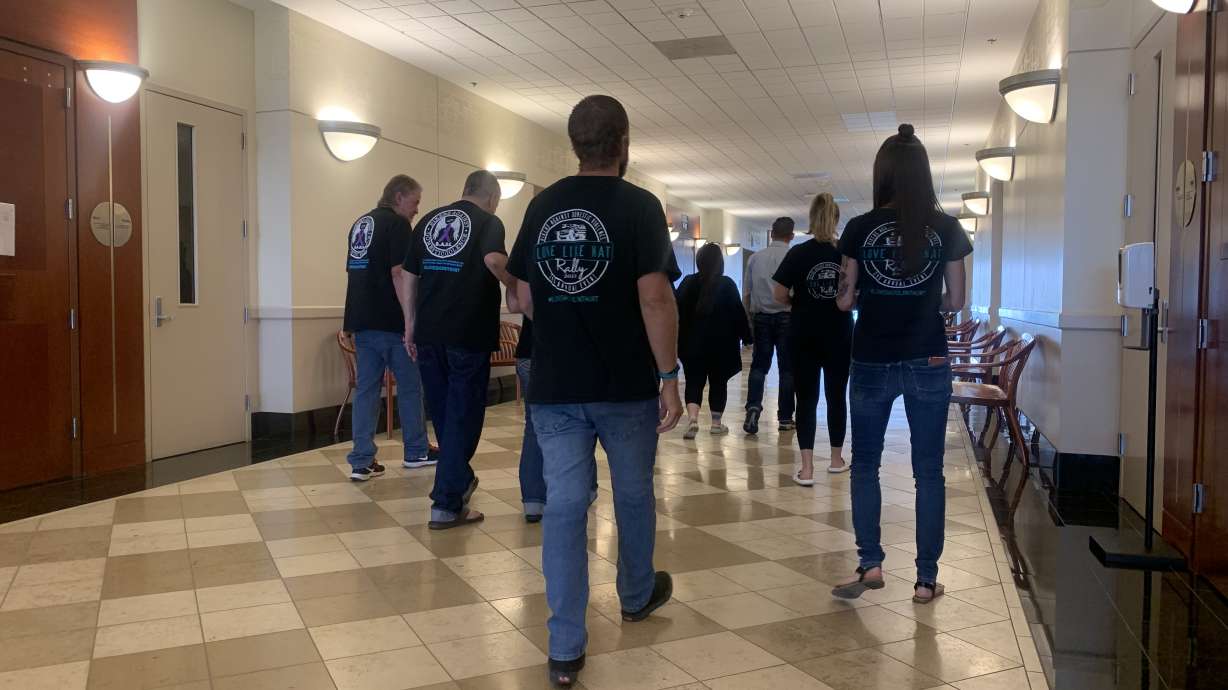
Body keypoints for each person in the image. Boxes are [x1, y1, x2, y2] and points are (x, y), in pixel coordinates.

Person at [508, 94, 682, 688]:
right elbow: (655, 296)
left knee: (564, 503)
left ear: (574, 143)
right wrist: (669, 377)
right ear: (624, 143)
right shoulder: (640, 207)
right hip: (626, 384)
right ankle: (635, 594)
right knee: (632, 492)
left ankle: (564, 647)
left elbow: (524, 296)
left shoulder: (543, 205)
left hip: (556, 384)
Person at [830, 124, 971, 606]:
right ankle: (926, 580)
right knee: (928, 471)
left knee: (864, 464)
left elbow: (844, 301)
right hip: (928, 355)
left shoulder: (858, 228)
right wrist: (921, 297)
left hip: (870, 355)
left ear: (882, 175)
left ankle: (871, 563)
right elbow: (957, 300)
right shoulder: (948, 228)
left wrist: (862, 290)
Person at [401, 170, 512, 530]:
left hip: (429, 331)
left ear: (464, 190)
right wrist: (518, 284)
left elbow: (409, 276)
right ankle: (446, 504)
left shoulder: (429, 221)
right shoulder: (489, 221)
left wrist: (410, 323)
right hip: (468, 332)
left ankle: (460, 481)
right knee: (463, 418)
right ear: (492, 196)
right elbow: (495, 261)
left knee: (446, 416)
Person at [342, 175, 433, 481]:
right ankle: (417, 451)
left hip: (361, 320)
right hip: (390, 321)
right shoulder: (398, 226)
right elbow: (398, 273)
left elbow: (355, 273)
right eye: (415, 201)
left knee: (367, 390)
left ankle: (361, 460)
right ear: (398, 197)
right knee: (410, 387)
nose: (416, 209)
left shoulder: (361, 224)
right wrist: (410, 322)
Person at [772, 193, 853, 484]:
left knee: (805, 399)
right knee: (835, 397)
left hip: (802, 334)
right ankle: (835, 459)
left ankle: (806, 469)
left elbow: (778, 294)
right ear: (836, 219)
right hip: (839, 335)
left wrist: (800, 303)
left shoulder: (797, 253)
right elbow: (854, 295)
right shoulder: (845, 253)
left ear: (810, 218)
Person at [677, 243, 752, 440]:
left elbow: (676, 311)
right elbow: (738, 314)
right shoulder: (726, 284)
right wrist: (747, 337)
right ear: (720, 263)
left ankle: (693, 419)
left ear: (699, 261)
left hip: (692, 345)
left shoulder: (688, 282)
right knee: (719, 383)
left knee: (693, 382)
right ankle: (716, 424)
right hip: (721, 346)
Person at [743, 217, 796, 434]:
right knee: (787, 369)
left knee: (758, 367)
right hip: (787, 318)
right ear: (791, 236)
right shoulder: (793, 257)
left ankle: (753, 407)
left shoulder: (755, 258)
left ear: (771, 233)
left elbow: (746, 293)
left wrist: (749, 321)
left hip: (761, 317)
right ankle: (784, 418)